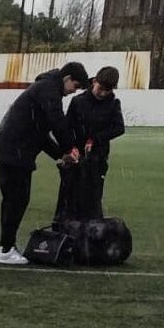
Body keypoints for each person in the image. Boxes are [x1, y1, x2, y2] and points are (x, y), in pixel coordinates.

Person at [0, 61, 88, 264]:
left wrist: (61, 155)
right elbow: (57, 121)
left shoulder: (45, 88)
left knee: (14, 200)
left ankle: (7, 247)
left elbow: (41, 135)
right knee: (16, 200)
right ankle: (5, 250)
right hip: (13, 151)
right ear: (67, 78)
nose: (73, 91)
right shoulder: (49, 89)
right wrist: (70, 147)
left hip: (12, 149)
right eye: (75, 86)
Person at [68, 66, 124, 218]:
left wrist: (95, 139)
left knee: (94, 197)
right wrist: (71, 147)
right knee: (71, 195)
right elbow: (68, 127)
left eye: (107, 90)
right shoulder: (77, 101)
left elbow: (119, 128)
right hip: (75, 155)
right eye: (100, 88)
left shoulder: (113, 104)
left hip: (98, 157)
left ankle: (93, 226)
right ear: (94, 82)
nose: (103, 93)